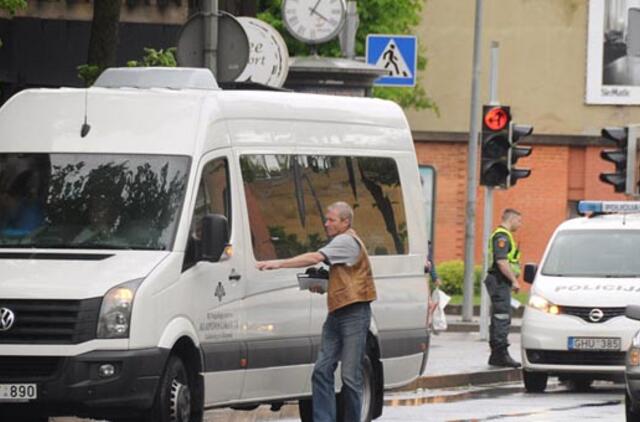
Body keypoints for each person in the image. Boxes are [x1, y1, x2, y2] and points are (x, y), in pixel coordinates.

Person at [256, 201, 377, 422]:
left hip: (354, 315)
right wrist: (324, 285)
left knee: (350, 377)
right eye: (326, 219)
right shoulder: (341, 243)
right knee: (321, 371)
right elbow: (346, 279)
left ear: (345, 222)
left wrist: (279, 263)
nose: (326, 223)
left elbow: (315, 257)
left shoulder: (347, 241)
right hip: (337, 313)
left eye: (331, 220)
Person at [484, 208, 523, 368]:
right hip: (500, 281)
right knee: (502, 317)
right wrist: (514, 281)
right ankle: (500, 354)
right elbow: (501, 261)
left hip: (500, 282)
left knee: (499, 316)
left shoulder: (503, 235)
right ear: (512, 219)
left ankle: (496, 355)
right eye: (519, 221)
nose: (520, 225)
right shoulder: (502, 236)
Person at [425, 240, 443, 328]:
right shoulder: (425, 245)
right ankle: (428, 321)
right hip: (422, 278)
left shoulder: (425, 246)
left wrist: (435, 277)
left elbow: (430, 263)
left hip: (423, 278)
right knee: (428, 303)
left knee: (427, 303)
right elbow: (430, 262)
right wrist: (435, 277)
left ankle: (428, 322)